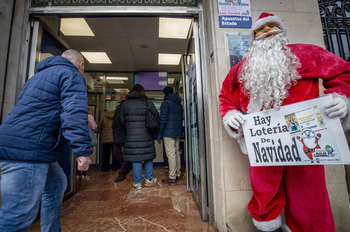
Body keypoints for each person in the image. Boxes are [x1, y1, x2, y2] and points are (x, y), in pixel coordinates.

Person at [219, 12, 350, 232]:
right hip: (264, 141)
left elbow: (343, 73)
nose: (266, 32)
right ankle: (268, 225)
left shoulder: (305, 54)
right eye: (259, 30)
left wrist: (341, 98)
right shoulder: (242, 68)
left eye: (271, 27)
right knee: (264, 185)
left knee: (308, 189)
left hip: (305, 135)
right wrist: (230, 115)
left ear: (281, 30)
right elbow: (225, 95)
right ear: (253, 39)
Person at [0, 49, 92, 232]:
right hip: (29, 149)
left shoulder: (37, 77)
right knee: (18, 215)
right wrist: (82, 150)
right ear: (80, 64)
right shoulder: (71, 74)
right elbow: (73, 112)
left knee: (57, 182)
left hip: (16, 141)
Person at [119, 84, 158, 190]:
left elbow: (121, 120)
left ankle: (138, 183)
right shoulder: (147, 102)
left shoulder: (125, 104)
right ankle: (149, 180)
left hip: (131, 135)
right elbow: (156, 115)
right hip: (146, 134)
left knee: (135, 159)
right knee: (148, 157)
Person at [157, 86, 183, 185]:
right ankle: (178, 174)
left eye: (163, 93)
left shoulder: (166, 103)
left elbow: (163, 119)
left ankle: (172, 177)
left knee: (171, 154)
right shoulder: (178, 104)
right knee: (176, 153)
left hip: (168, 132)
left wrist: (160, 132)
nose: (163, 95)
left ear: (166, 93)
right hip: (177, 132)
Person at [112, 89, 132, 183]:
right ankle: (127, 166)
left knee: (126, 153)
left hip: (126, 133)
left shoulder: (128, 105)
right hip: (118, 133)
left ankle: (122, 173)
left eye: (123, 94)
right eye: (120, 94)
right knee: (116, 151)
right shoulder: (119, 106)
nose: (122, 96)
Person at [76, 114, 98, 181]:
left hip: (78, 138)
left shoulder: (75, 115)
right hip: (87, 139)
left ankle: (77, 175)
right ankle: (84, 175)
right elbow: (94, 127)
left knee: (78, 158)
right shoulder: (89, 116)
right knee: (86, 157)